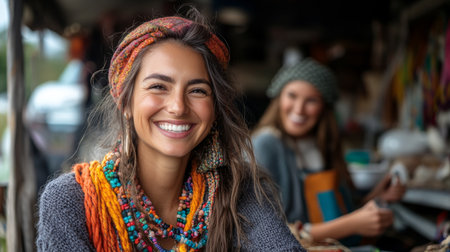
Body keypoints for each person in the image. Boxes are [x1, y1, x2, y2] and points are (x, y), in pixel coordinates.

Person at [36, 10, 305, 252]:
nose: (178, 107)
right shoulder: (72, 201)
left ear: (214, 108)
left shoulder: (238, 191)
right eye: (158, 87)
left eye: (198, 91)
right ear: (125, 101)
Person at [251, 58, 406, 247]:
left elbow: (330, 215)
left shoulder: (323, 147)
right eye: (291, 95)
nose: (299, 109)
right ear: (278, 98)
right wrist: (353, 224)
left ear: (324, 107)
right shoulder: (264, 145)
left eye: (311, 100)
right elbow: (260, 234)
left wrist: (377, 197)